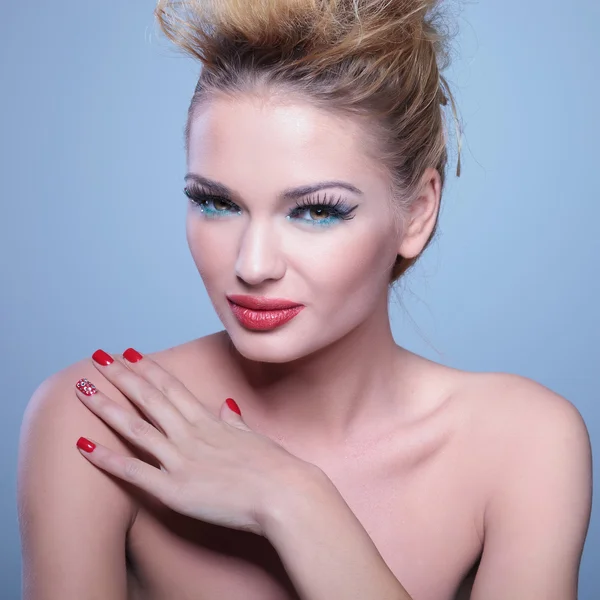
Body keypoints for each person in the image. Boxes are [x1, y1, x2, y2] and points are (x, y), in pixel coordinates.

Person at [17, 1, 592, 599]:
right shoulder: (103, 420)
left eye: (316, 210)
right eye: (217, 203)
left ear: (417, 212)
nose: (252, 264)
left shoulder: (523, 444)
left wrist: (296, 502)